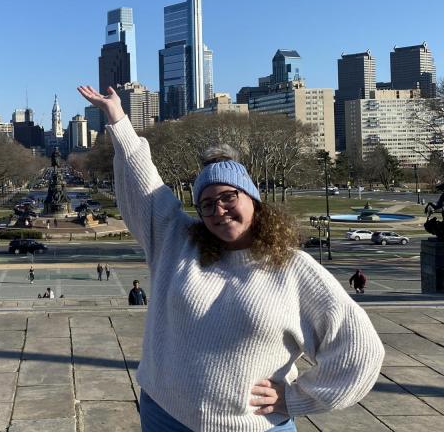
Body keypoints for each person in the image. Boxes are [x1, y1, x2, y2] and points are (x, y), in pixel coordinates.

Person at [78, 84, 384, 432]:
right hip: (166, 416)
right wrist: (117, 118)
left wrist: (296, 398)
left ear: (253, 199)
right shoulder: (177, 243)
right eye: (206, 203)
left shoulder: (294, 268)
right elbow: (143, 186)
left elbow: (360, 350)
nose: (218, 210)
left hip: (254, 426)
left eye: (227, 197)